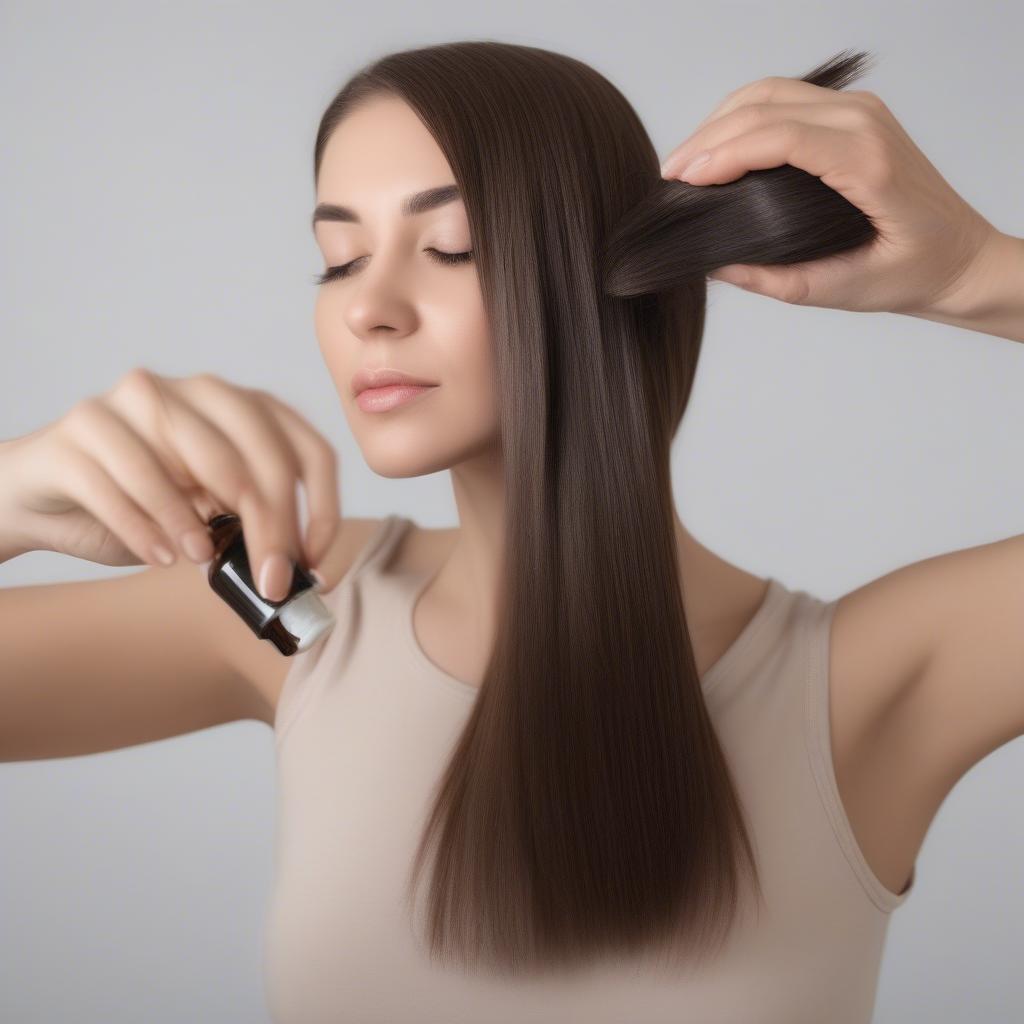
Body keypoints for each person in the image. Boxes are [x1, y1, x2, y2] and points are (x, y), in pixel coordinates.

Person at [1, 42, 1022, 1023]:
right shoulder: (290, 605)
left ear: (608, 283)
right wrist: (9, 496)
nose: (370, 309)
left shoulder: (866, 687)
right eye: (340, 259)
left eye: (453, 247)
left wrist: (977, 270)